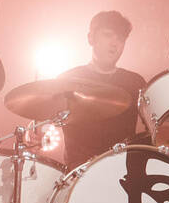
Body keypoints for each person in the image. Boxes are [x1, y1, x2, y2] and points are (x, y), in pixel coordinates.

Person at [58, 11, 148, 168]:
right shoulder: (68, 79)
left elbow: (156, 127)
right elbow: (42, 118)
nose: (115, 43)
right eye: (108, 35)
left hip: (124, 174)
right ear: (90, 38)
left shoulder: (135, 82)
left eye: (120, 39)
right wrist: (33, 132)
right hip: (79, 174)